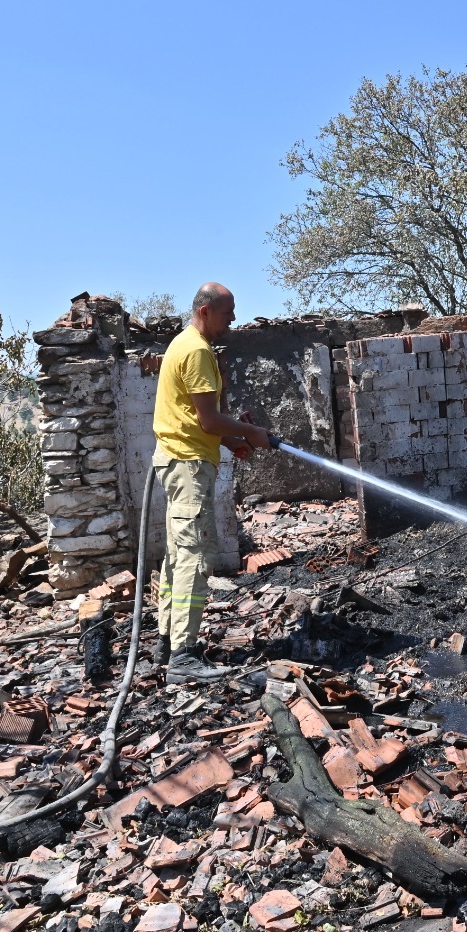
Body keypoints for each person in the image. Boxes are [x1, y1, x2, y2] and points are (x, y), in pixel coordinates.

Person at [152, 282, 276, 685]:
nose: (234, 318)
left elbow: (198, 419)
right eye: (228, 311)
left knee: (177, 555)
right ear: (205, 310)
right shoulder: (196, 351)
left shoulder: (185, 345)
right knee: (193, 556)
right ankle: (184, 657)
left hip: (181, 459)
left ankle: (168, 643)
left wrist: (233, 440)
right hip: (187, 465)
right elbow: (208, 420)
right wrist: (252, 433)